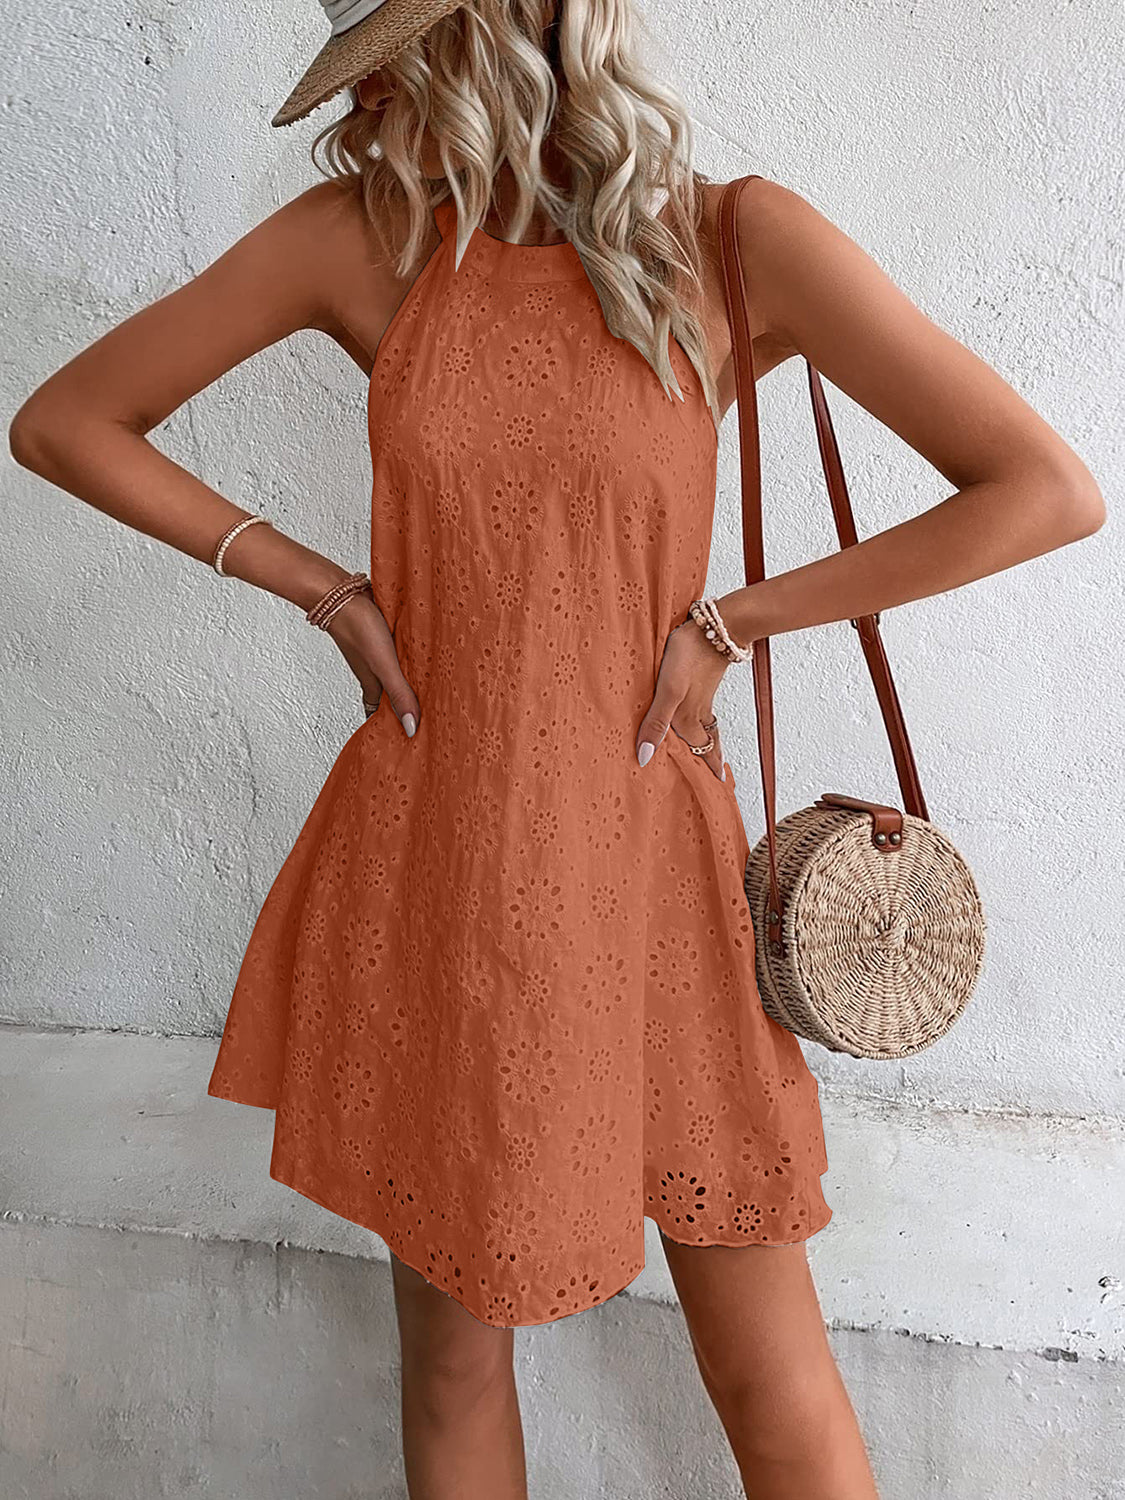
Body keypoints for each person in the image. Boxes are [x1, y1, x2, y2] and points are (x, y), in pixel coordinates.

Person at [9, 0, 1104, 1495]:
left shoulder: (734, 239)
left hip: (656, 871)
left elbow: (1040, 489)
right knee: (457, 1362)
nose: (375, 97)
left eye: (399, 52)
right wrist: (322, 589)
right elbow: (66, 423)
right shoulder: (362, 239)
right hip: (441, 861)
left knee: (766, 1364)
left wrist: (729, 622)